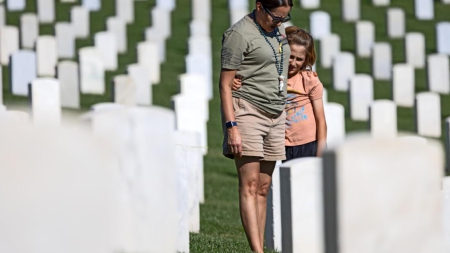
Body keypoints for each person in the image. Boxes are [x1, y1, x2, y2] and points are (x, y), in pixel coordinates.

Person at [219, 0, 293, 252]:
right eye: (276, 17)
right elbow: (225, 84)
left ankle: (259, 247)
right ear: (259, 6)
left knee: (263, 187)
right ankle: (257, 251)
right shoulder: (239, 34)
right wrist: (232, 126)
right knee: (250, 185)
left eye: (285, 17)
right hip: (248, 111)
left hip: (276, 113)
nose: (280, 22)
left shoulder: (277, 29)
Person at [233, 27, 327, 160]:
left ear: (306, 59)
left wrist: (321, 150)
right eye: (290, 57)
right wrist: (235, 82)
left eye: (299, 59)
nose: (293, 63)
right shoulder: (269, 74)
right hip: (280, 141)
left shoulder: (309, 80)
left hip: (308, 142)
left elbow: (320, 119)